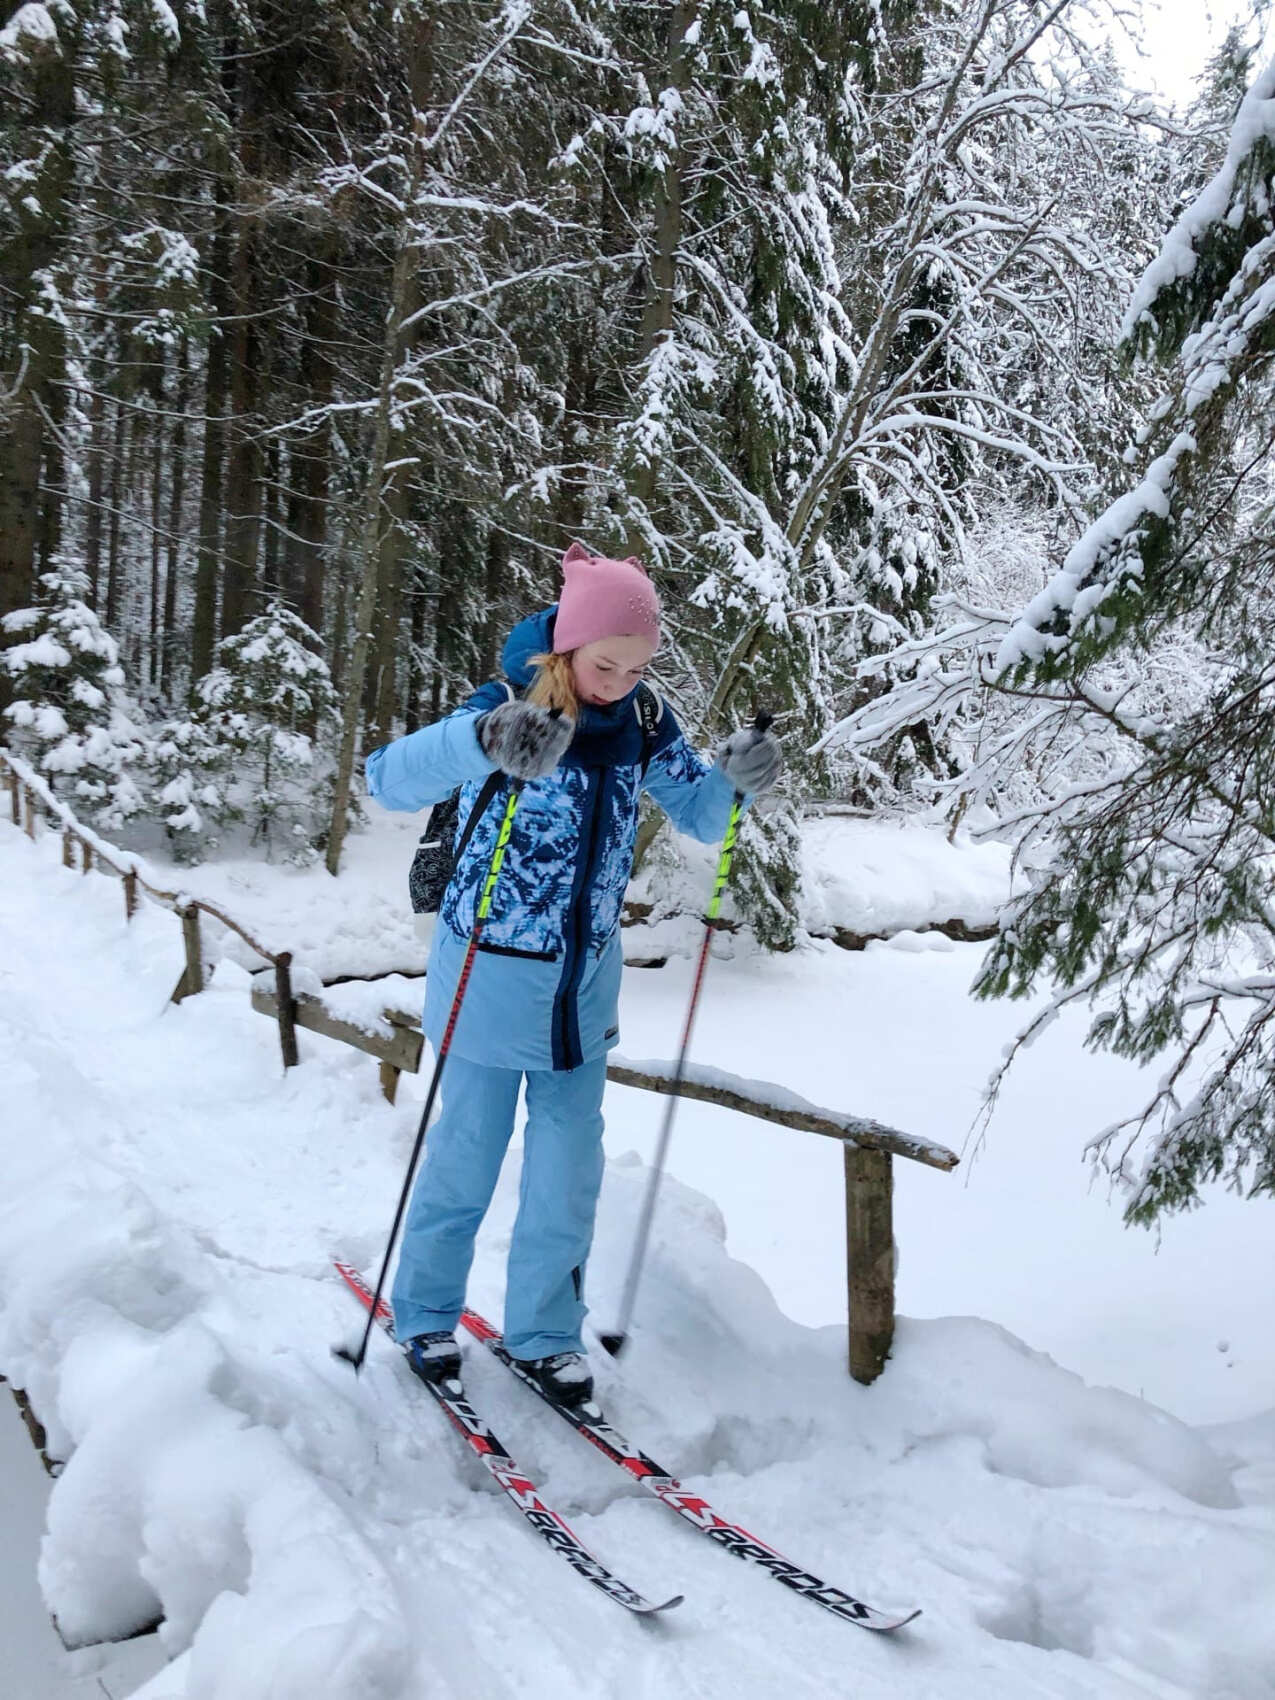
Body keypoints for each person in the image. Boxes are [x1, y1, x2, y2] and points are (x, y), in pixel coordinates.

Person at [363, 541, 783, 1406]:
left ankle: (545, 1332)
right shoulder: (506, 706)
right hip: (487, 974)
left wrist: (734, 781)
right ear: (565, 646)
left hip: (583, 988)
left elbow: (702, 815)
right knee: (466, 1154)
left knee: (566, 1170)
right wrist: (482, 740)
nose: (623, 681)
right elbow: (387, 781)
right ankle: (425, 1312)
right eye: (607, 664)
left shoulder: (645, 721)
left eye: (638, 665)